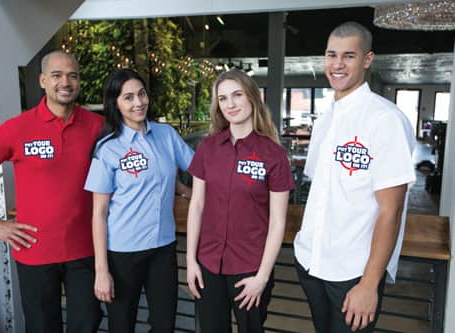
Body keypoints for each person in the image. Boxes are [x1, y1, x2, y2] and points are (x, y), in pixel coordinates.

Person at [0, 50, 103, 332]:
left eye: (72, 75)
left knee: (86, 324)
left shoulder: (96, 126)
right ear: (42, 81)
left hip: (85, 250)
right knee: (41, 327)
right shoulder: (19, 128)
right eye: (57, 75)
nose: (66, 82)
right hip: (34, 251)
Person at [293, 22, 416, 333]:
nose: (337, 64)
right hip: (311, 262)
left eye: (349, 55)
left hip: (353, 273)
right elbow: (321, 192)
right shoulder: (324, 120)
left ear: (367, 59)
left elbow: (391, 210)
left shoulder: (384, 119)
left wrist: (369, 282)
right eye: (331, 54)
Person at [84, 68, 194, 333]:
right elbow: (98, 213)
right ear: (116, 104)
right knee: (122, 326)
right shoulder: (108, 148)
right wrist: (101, 270)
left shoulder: (166, 135)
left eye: (141, 94)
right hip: (122, 253)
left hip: (163, 247)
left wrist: (189, 192)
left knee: (164, 325)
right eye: (128, 97)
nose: (138, 103)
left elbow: (198, 169)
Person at [186, 69, 294, 333]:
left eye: (237, 95)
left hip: (251, 268)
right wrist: (191, 262)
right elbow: (197, 205)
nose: (230, 104)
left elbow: (278, 223)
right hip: (208, 265)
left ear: (252, 97)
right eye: (223, 99)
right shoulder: (207, 148)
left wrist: (262, 277)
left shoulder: (274, 155)